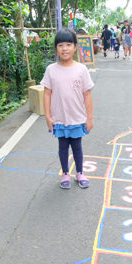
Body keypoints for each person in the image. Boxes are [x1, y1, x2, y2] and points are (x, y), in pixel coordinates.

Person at [42, 29, 94, 189]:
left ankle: (80, 173)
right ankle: (65, 173)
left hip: (77, 118)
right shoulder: (51, 69)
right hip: (59, 118)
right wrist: (47, 116)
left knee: (77, 146)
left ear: (75, 47)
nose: (65, 48)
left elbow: (87, 95)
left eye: (68, 45)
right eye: (60, 45)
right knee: (62, 146)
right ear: (56, 48)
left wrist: (89, 118)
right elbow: (47, 94)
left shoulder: (81, 69)